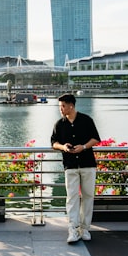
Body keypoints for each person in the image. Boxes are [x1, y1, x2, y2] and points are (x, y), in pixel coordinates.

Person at [50, 93, 101, 244]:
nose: (61, 109)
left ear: (71, 106)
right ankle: (73, 228)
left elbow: (96, 138)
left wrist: (83, 147)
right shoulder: (59, 124)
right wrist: (63, 147)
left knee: (88, 197)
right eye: (60, 106)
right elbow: (53, 143)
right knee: (71, 198)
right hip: (70, 165)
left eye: (63, 106)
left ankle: (84, 228)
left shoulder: (86, 120)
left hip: (87, 164)